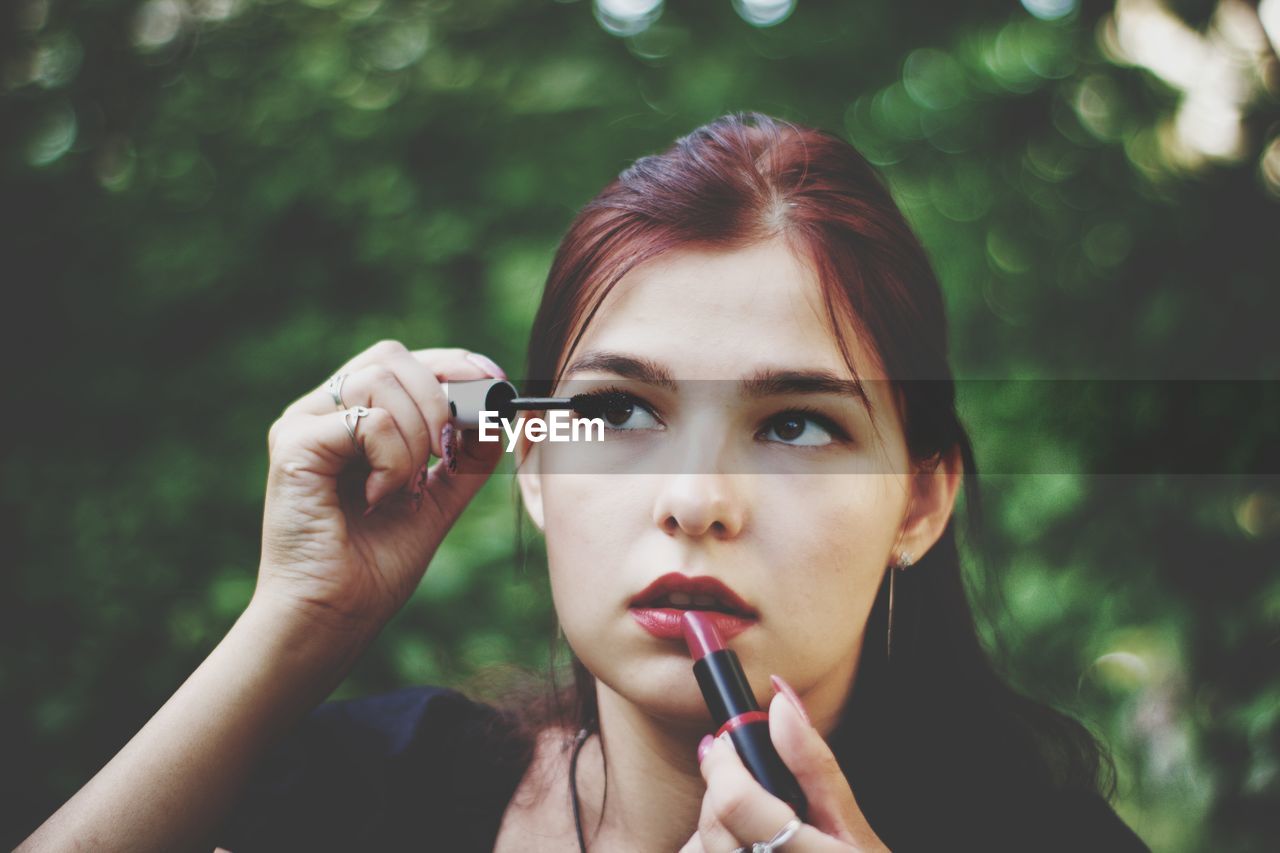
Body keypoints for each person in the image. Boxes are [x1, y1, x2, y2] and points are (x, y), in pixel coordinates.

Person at [20, 113, 1149, 852]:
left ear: (919, 499)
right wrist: (297, 621)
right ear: (534, 467)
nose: (695, 498)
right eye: (615, 412)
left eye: (796, 422)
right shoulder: (372, 799)